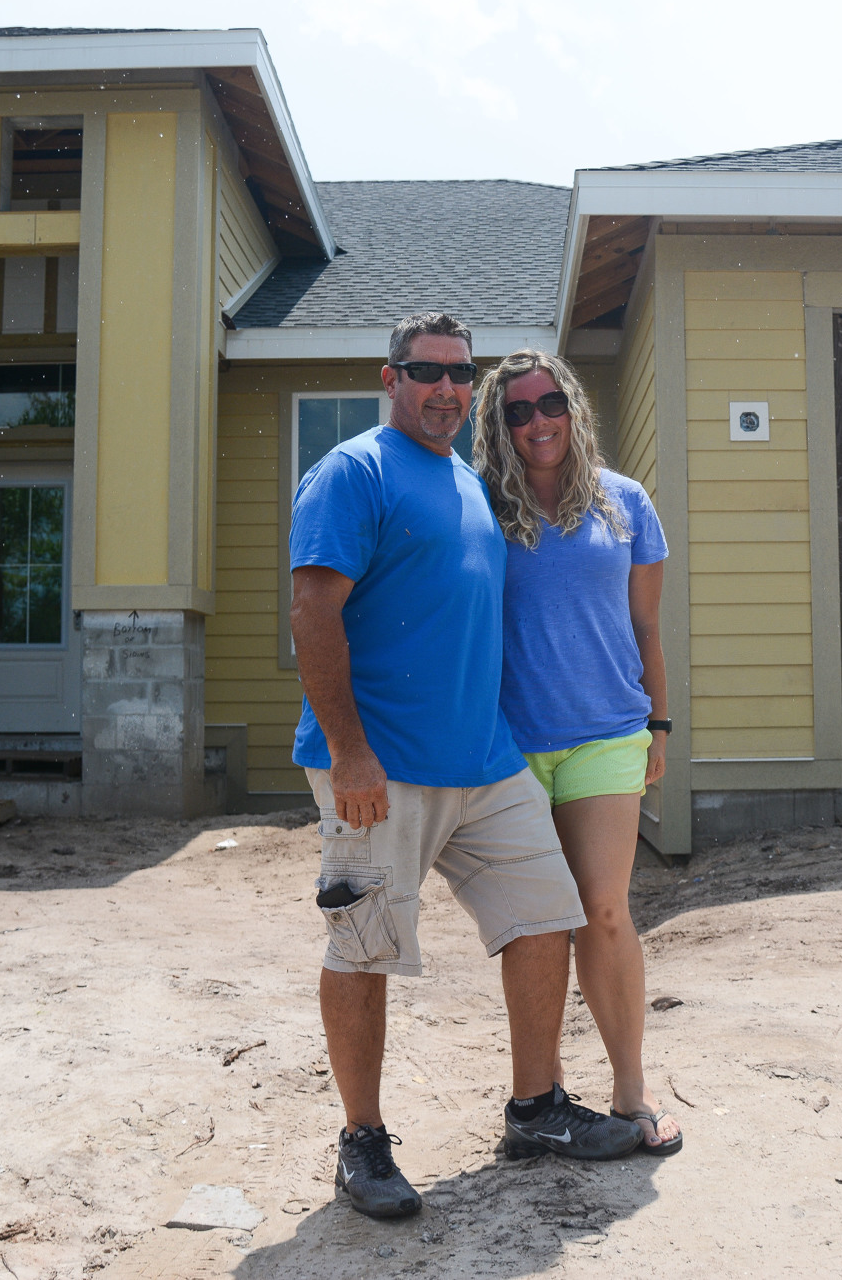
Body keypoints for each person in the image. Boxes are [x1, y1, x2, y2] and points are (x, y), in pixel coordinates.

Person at [289, 313, 643, 1221]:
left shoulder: (473, 484)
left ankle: (536, 1107)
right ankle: (362, 1141)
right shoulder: (355, 471)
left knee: (545, 915)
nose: (446, 388)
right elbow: (313, 613)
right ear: (391, 377)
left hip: (484, 758)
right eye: (426, 372)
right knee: (364, 943)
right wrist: (350, 750)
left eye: (460, 373)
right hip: (379, 765)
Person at [471, 349, 684, 1156]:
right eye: (517, 411)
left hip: (606, 736)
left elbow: (647, 629)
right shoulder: (485, 508)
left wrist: (659, 726)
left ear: (573, 407)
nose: (537, 422)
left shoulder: (626, 503)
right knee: (537, 925)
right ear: (499, 424)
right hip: (513, 745)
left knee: (602, 911)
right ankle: (543, 1096)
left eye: (548, 402)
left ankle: (631, 1086)